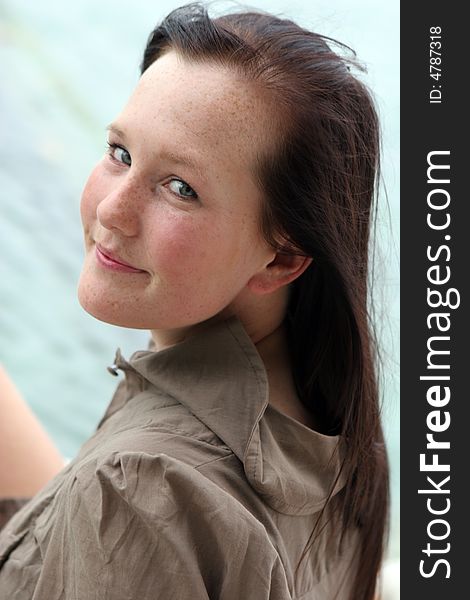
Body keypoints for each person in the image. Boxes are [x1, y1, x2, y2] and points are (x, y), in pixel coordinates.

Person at [0, 3, 389, 599]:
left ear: (283, 257)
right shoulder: (342, 442)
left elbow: (139, 514)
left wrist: (106, 498)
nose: (111, 210)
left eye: (180, 188)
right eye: (120, 153)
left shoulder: (136, 490)